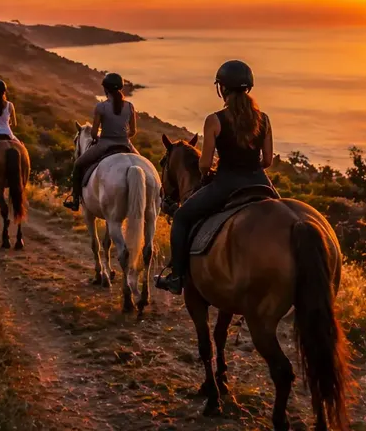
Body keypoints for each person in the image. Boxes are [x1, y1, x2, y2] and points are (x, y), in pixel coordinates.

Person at [155, 60, 277, 295]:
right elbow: (268, 161)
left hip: (227, 184)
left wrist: (207, 173)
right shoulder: (265, 119)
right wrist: (252, 167)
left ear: (222, 88)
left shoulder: (215, 120)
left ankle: (177, 276)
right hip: (260, 183)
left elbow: (203, 164)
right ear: (248, 87)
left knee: (181, 217)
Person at [63, 73, 140, 211]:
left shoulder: (101, 107)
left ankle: (75, 200)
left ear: (105, 89)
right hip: (126, 144)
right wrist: (122, 135)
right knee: (145, 165)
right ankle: (159, 197)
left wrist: (101, 137)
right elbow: (133, 131)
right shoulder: (130, 106)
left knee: (78, 165)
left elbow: (93, 133)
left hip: (105, 144)